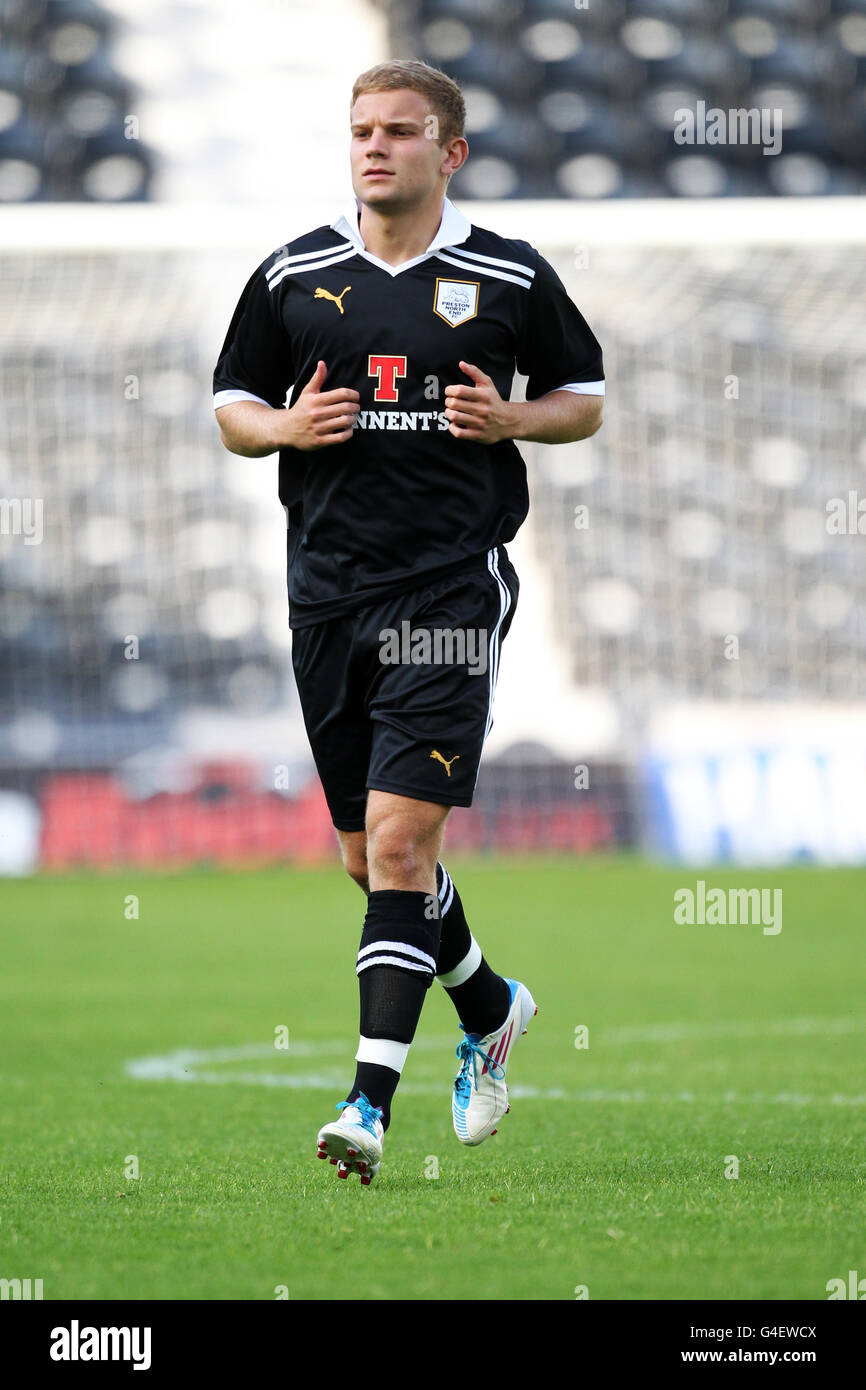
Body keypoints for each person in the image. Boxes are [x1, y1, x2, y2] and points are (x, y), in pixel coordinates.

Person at [213, 59, 604, 1184]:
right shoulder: (295, 272)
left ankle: (365, 1104)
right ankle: (489, 1006)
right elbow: (232, 407)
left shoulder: (506, 273)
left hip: (448, 588)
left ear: (451, 151)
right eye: (359, 132)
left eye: (397, 131)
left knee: (397, 843)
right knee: (366, 859)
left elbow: (582, 394)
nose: (373, 148)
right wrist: (284, 431)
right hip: (327, 593)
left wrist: (513, 416)